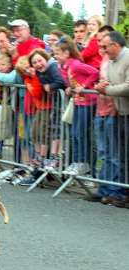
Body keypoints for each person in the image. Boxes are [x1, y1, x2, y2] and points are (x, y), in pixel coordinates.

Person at [54, 36, 99, 176]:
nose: (55, 56)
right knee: (74, 133)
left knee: (81, 133)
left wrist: (84, 86)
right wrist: (69, 87)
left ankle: (84, 163)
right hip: (78, 101)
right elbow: (71, 81)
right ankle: (77, 162)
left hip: (87, 101)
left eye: (58, 53)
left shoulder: (75, 64)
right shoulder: (64, 66)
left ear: (66, 53)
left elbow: (95, 73)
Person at [95, 31, 129, 208]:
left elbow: (127, 87)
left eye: (105, 46)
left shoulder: (128, 58)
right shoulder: (111, 62)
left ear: (115, 45)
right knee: (121, 155)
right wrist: (101, 86)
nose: (103, 49)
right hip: (121, 113)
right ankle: (121, 192)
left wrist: (106, 90)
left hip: (125, 112)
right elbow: (106, 82)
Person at [28, 49, 66, 168]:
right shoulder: (39, 72)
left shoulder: (52, 66)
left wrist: (50, 86)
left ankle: (55, 157)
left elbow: (61, 82)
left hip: (62, 101)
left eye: (40, 60)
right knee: (48, 129)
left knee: (57, 129)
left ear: (46, 59)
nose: (38, 64)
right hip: (53, 102)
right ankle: (45, 158)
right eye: (35, 62)